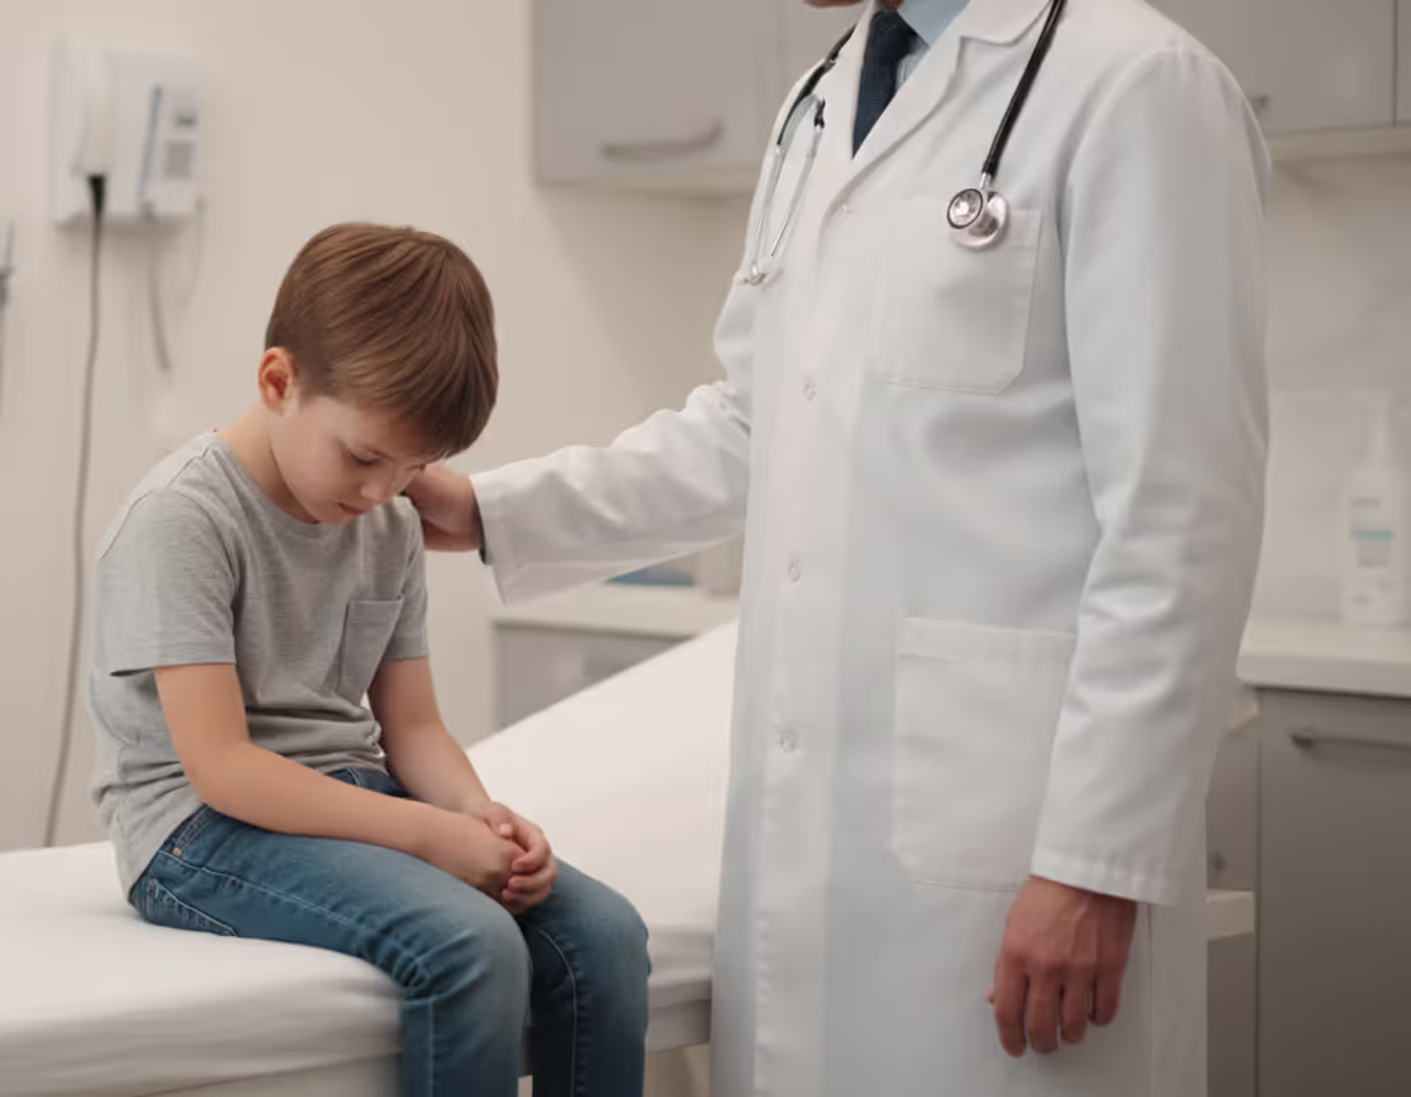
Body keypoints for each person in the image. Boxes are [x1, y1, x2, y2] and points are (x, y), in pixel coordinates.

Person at [404, 0, 1268, 1093]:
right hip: (813, 835)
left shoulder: (1137, 84)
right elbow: (755, 423)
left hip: (1009, 837)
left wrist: (1095, 861)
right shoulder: (819, 105)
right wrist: (490, 510)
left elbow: (1183, 517)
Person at [88, 222, 651, 1097]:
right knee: (470, 942)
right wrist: (431, 836)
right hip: (195, 827)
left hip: (349, 796)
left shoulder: (386, 520)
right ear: (279, 381)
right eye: (363, 456)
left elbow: (414, 727)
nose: (384, 492)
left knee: (606, 936)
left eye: (414, 467)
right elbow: (224, 768)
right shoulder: (181, 520)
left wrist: (481, 816)